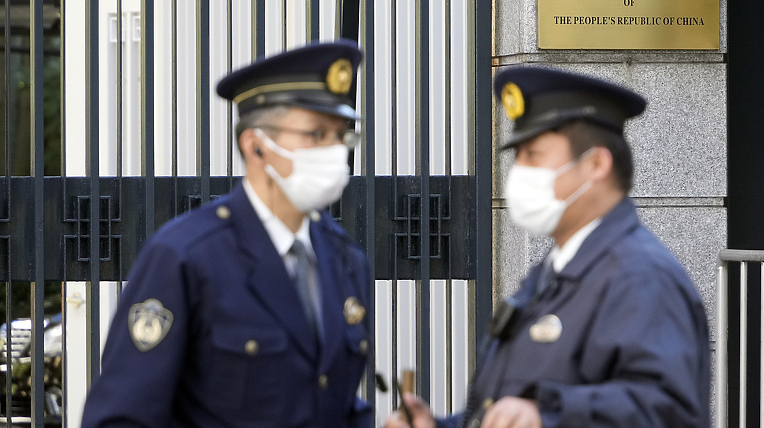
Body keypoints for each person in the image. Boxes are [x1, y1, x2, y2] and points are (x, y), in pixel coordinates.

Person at [386, 66, 710, 428]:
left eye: (534, 155)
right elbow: (506, 411)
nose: (519, 171)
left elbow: (667, 412)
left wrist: (550, 415)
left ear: (596, 164)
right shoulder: (553, 272)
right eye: (518, 156)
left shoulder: (639, 276)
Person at [82, 40, 373, 428]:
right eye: (317, 134)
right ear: (256, 146)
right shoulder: (187, 255)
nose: (335, 151)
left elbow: (329, 401)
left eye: (342, 136)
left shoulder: (345, 260)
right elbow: (121, 417)